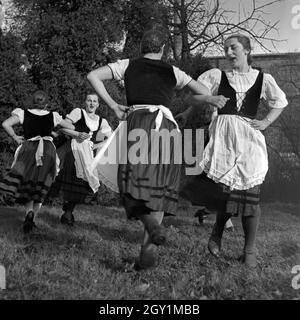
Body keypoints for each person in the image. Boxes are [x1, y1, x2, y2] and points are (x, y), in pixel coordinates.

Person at [87, 29, 210, 270]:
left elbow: (93, 76)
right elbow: (204, 92)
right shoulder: (173, 71)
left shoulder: (128, 65)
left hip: (139, 124)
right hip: (166, 127)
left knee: (132, 185)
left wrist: (112, 105)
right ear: (163, 49)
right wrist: (186, 108)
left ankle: (148, 224)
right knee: (161, 186)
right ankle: (148, 249)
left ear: (142, 47)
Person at [179, 34, 288, 267]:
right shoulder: (217, 76)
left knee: (250, 196)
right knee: (226, 193)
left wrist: (266, 122)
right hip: (224, 142)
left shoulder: (263, 78)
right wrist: (210, 97)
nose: (228, 53)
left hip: (249, 141)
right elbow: (193, 96)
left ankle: (249, 252)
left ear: (247, 50)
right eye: (225, 49)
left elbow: (280, 101)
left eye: (233, 48)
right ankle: (217, 232)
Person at [0, 90, 74, 233]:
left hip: (28, 149)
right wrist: (55, 132)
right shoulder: (53, 116)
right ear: (46, 104)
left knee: (29, 182)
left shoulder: (23, 113)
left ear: (32, 101)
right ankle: (33, 219)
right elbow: (70, 127)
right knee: (42, 183)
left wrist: (15, 137)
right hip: (47, 150)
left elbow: (5, 124)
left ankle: (29, 213)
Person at [50, 92, 112, 226]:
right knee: (73, 179)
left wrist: (96, 145)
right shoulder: (78, 112)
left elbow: (111, 138)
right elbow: (62, 126)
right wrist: (77, 134)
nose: (91, 103)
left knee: (85, 183)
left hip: (88, 154)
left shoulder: (102, 121)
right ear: (85, 102)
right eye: (89, 100)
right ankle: (67, 214)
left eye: (94, 101)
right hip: (73, 150)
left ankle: (68, 210)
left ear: (98, 104)